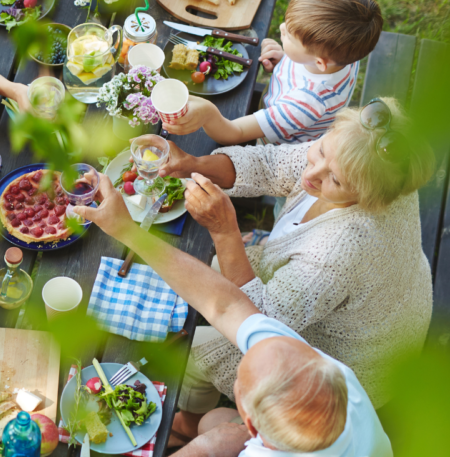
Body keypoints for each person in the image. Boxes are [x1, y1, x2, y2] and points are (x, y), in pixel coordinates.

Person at [151, 97, 434, 442]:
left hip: (346, 369)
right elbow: (271, 165)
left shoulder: (341, 249)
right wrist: (194, 163)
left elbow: (260, 322)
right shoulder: (371, 162)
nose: (311, 174)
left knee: (193, 348)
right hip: (374, 306)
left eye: (335, 180)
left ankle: (187, 423)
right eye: (321, 152)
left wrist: (225, 231)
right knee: (191, 279)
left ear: (368, 196)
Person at [74, 182, 393, 457]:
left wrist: (202, 448)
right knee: (211, 423)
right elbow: (225, 306)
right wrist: (126, 229)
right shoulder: (339, 380)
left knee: (211, 433)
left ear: (251, 424)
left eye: (241, 379)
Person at [162, 0, 383, 146]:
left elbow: (235, 132)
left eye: (288, 36)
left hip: (277, 143)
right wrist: (285, 59)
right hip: (282, 106)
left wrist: (209, 114)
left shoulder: (305, 104)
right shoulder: (346, 53)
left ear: (319, 62)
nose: (280, 28)